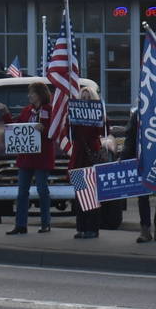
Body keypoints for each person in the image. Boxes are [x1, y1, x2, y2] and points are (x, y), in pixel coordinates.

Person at [8, 82, 55, 235]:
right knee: (22, 192)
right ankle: (20, 225)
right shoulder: (26, 111)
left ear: (40, 94)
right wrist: (4, 114)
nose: (29, 96)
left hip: (42, 158)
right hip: (26, 158)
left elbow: (54, 133)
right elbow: (16, 128)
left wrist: (44, 129)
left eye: (32, 93)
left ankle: (45, 223)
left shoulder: (49, 110)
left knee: (42, 190)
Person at [125, 113, 156, 243]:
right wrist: (124, 156)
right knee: (143, 195)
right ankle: (145, 229)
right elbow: (130, 137)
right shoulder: (138, 114)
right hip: (143, 159)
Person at [68, 82, 106, 240]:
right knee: (79, 197)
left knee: (91, 196)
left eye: (88, 97)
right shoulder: (74, 117)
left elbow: (103, 132)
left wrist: (98, 118)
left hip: (91, 158)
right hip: (78, 159)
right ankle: (81, 228)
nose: (85, 100)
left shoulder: (99, 115)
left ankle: (93, 229)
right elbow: (69, 134)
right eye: (82, 98)